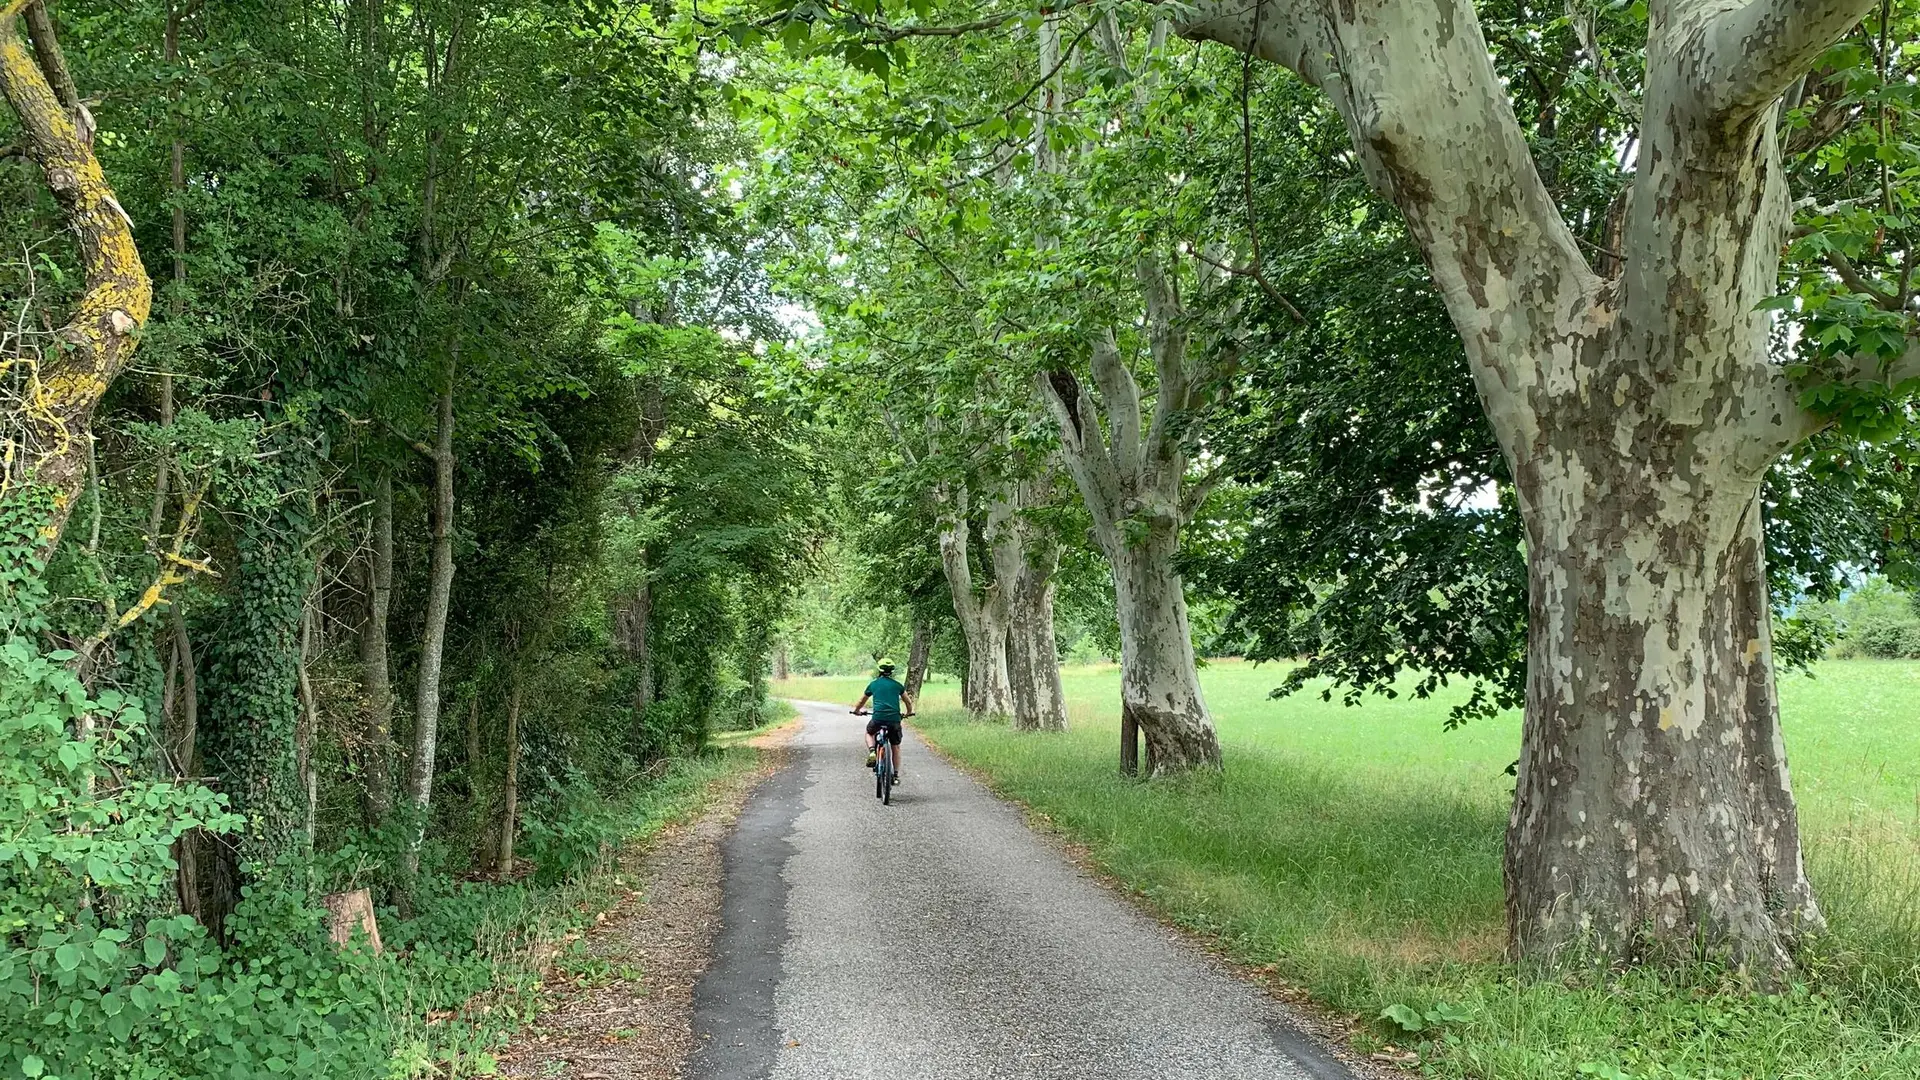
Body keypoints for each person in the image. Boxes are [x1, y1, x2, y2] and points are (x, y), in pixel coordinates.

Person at [852, 658, 914, 783]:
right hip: (894, 720)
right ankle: (895, 775)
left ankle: (872, 751)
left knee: (869, 733)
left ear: (879, 670)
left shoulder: (874, 684)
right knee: (895, 746)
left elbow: (861, 701)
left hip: (878, 718)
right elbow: (907, 701)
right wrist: (908, 712)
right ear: (892, 671)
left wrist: (857, 711)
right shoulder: (897, 685)